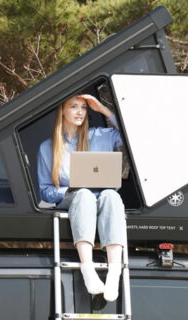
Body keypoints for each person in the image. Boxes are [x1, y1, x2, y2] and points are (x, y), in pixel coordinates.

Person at [37, 94, 126, 302]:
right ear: (62, 111)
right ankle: (88, 269)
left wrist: (103, 110)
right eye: (74, 107)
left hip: (103, 198)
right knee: (84, 194)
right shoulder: (47, 147)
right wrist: (67, 191)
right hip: (74, 200)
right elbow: (45, 191)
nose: (80, 111)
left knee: (111, 195)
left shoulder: (101, 135)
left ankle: (114, 272)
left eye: (84, 108)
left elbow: (132, 135)